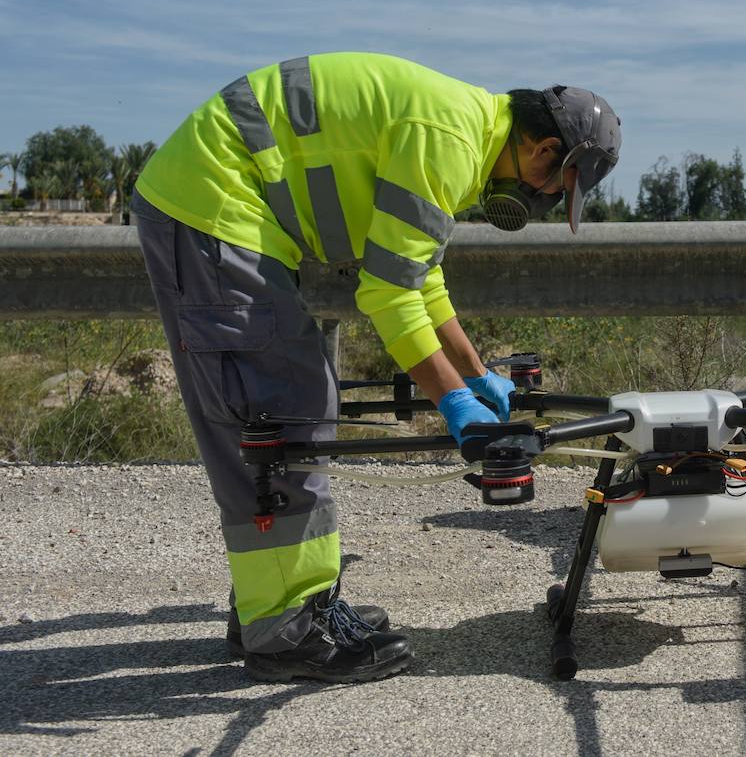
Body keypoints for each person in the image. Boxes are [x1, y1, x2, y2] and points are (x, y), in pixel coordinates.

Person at [131, 52, 621, 681]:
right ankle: (287, 632)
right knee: (282, 412)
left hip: (216, 203)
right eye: (560, 189)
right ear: (545, 152)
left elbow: (418, 277)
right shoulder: (449, 139)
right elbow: (386, 295)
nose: (549, 200)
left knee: (287, 409)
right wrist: (453, 403)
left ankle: (275, 606)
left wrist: (473, 374)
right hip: (212, 206)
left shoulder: (465, 131)